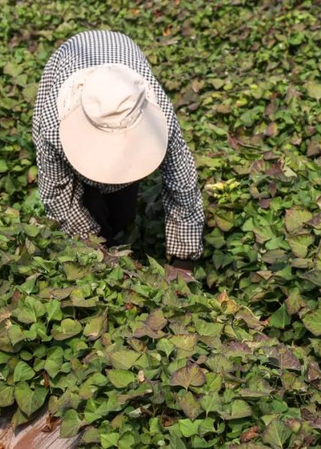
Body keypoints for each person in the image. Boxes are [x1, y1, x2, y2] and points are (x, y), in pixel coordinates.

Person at [31, 30, 204, 278]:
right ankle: (104, 232)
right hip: (68, 61)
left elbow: (182, 182)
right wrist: (96, 248)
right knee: (94, 214)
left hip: (123, 52)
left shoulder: (159, 116)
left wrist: (183, 261)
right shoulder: (53, 122)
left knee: (123, 212)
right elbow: (57, 194)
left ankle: (117, 225)